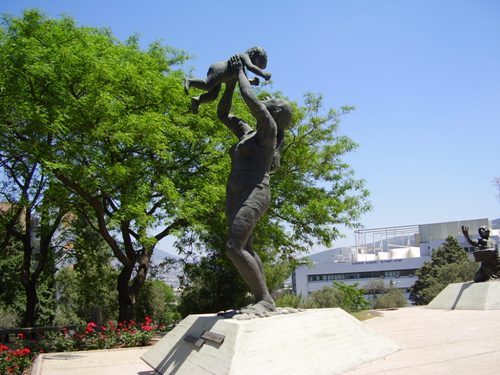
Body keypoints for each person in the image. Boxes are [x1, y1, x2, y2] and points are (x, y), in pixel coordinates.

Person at [216, 55, 292, 313]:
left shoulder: (268, 131)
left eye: (272, 101)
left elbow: (251, 99)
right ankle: (264, 298)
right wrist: (227, 85)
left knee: (233, 247)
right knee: (245, 247)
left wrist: (240, 72)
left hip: (255, 193)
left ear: (276, 113)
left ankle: (263, 299)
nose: (268, 100)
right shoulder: (249, 132)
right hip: (236, 192)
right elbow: (223, 114)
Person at [185, 47, 271, 114]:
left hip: (223, 78)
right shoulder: (243, 56)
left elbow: (242, 78)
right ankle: (190, 81)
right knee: (207, 85)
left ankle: (197, 100)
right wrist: (263, 74)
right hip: (219, 70)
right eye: (257, 62)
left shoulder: (241, 67)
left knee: (213, 95)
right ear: (253, 54)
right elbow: (251, 67)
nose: (256, 65)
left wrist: (252, 81)